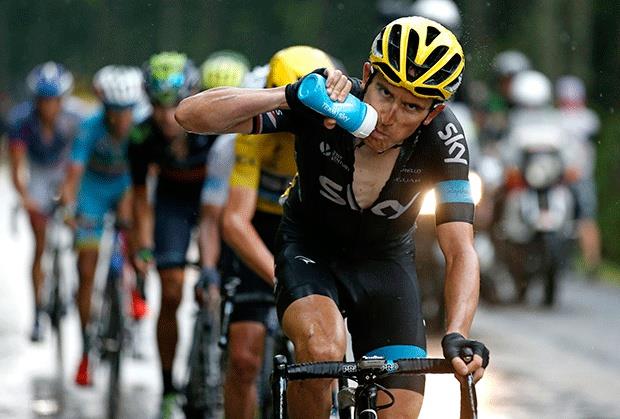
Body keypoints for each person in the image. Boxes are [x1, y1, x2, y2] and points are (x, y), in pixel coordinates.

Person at [176, 16, 489, 419]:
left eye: (411, 106)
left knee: (400, 413)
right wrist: (289, 95)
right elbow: (189, 115)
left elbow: (460, 249)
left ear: (433, 112)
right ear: (367, 75)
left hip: (385, 263)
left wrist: (458, 331)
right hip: (310, 250)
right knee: (322, 350)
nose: (389, 115)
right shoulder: (329, 106)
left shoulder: (444, 139)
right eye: (384, 92)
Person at [219, 46, 334, 419]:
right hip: (260, 229)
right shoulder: (256, 130)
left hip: (310, 231)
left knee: (323, 357)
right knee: (243, 359)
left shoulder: (337, 125)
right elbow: (235, 220)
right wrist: (279, 276)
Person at [129, 51, 239, 418]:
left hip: (214, 198)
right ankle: (167, 386)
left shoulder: (213, 126)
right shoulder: (142, 135)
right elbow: (141, 198)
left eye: (173, 104)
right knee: (172, 290)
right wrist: (144, 246)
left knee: (224, 281)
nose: (165, 116)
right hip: (172, 203)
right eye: (157, 105)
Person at [60, 65, 144, 387]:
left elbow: (147, 173)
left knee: (134, 227)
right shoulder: (89, 127)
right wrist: (70, 207)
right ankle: (85, 350)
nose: (122, 119)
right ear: (105, 109)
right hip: (92, 191)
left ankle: (135, 287)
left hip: (123, 186)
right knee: (86, 268)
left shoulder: (140, 128)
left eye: (128, 111)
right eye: (115, 111)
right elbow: (74, 173)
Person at [8, 62, 80, 342]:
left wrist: (70, 193)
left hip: (65, 170)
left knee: (80, 230)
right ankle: (38, 311)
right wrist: (25, 198)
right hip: (38, 174)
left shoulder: (75, 118)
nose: (48, 106)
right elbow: (17, 167)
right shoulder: (21, 121)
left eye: (54, 100)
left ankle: (73, 284)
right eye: (43, 100)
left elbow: (80, 160)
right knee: (39, 244)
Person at [555, 75, 602, 274]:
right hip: (564, 176)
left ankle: (591, 262)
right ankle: (586, 262)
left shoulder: (580, 119)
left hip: (576, 176)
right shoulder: (587, 118)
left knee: (583, 219)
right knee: (579, 219)